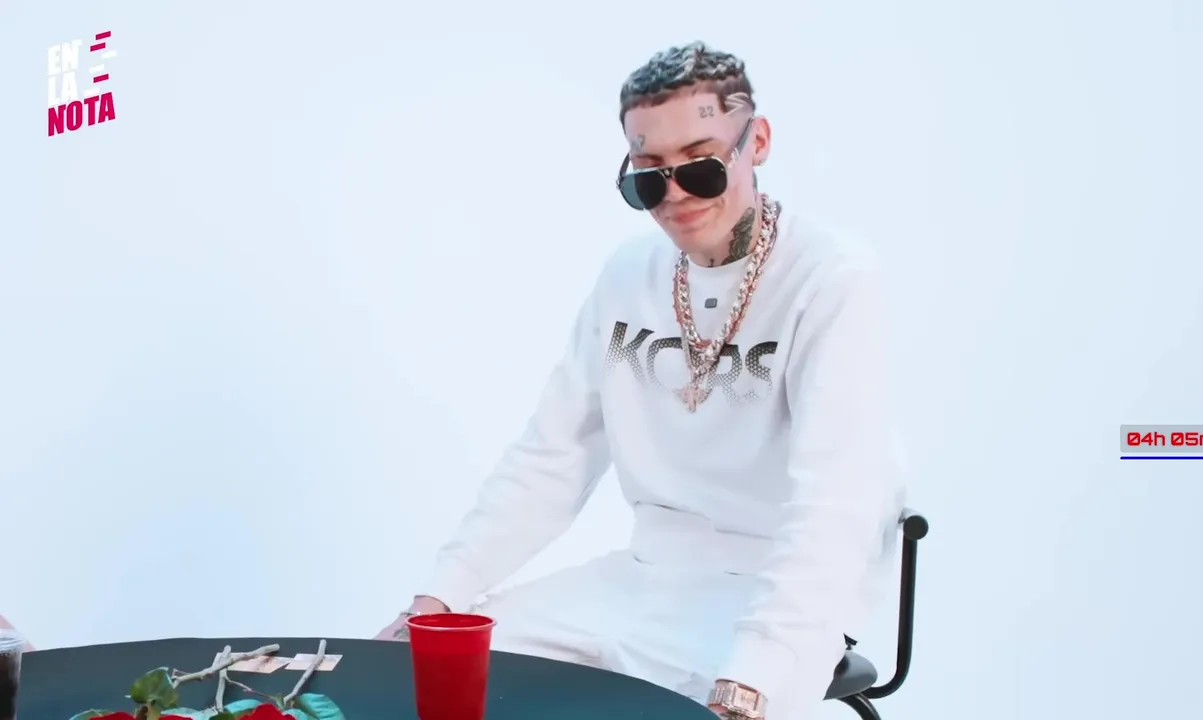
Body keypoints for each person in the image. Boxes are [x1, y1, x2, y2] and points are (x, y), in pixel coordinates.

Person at [377, 41, 906, 720]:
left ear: (758, 142)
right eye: (649, 178)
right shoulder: (629, 276)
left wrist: (754, 676)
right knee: (439, 677)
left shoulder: (831, 279)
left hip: (782, 593)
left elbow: (833, 505)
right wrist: (438, 599)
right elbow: (551, 458)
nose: (676, 195)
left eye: (702, 166)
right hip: (643, 578)